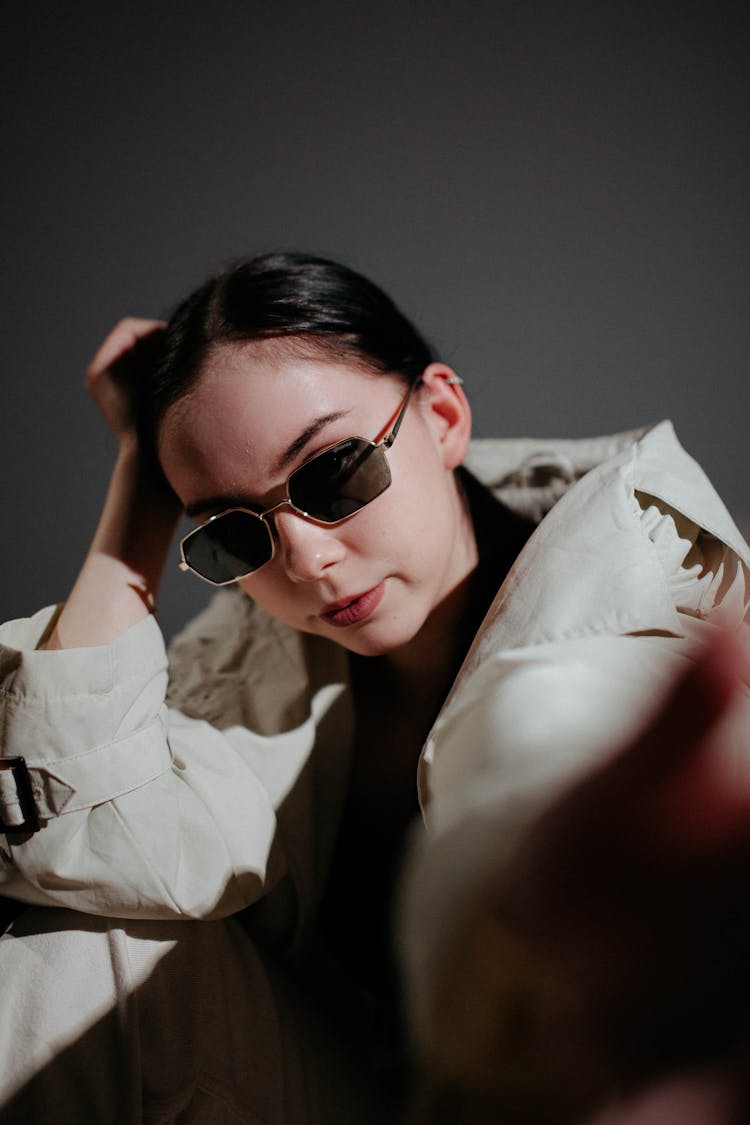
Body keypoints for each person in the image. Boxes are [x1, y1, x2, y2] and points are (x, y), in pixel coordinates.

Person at [0, 252, 748, 1124]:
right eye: (232, 534)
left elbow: (550, 734)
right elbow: (73, 839)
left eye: (333, 472)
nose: (307, 559)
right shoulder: (262, 656)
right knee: (87, 940)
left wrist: (548, 861)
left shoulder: (634, 600)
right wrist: (140, 481)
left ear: (443, 414)